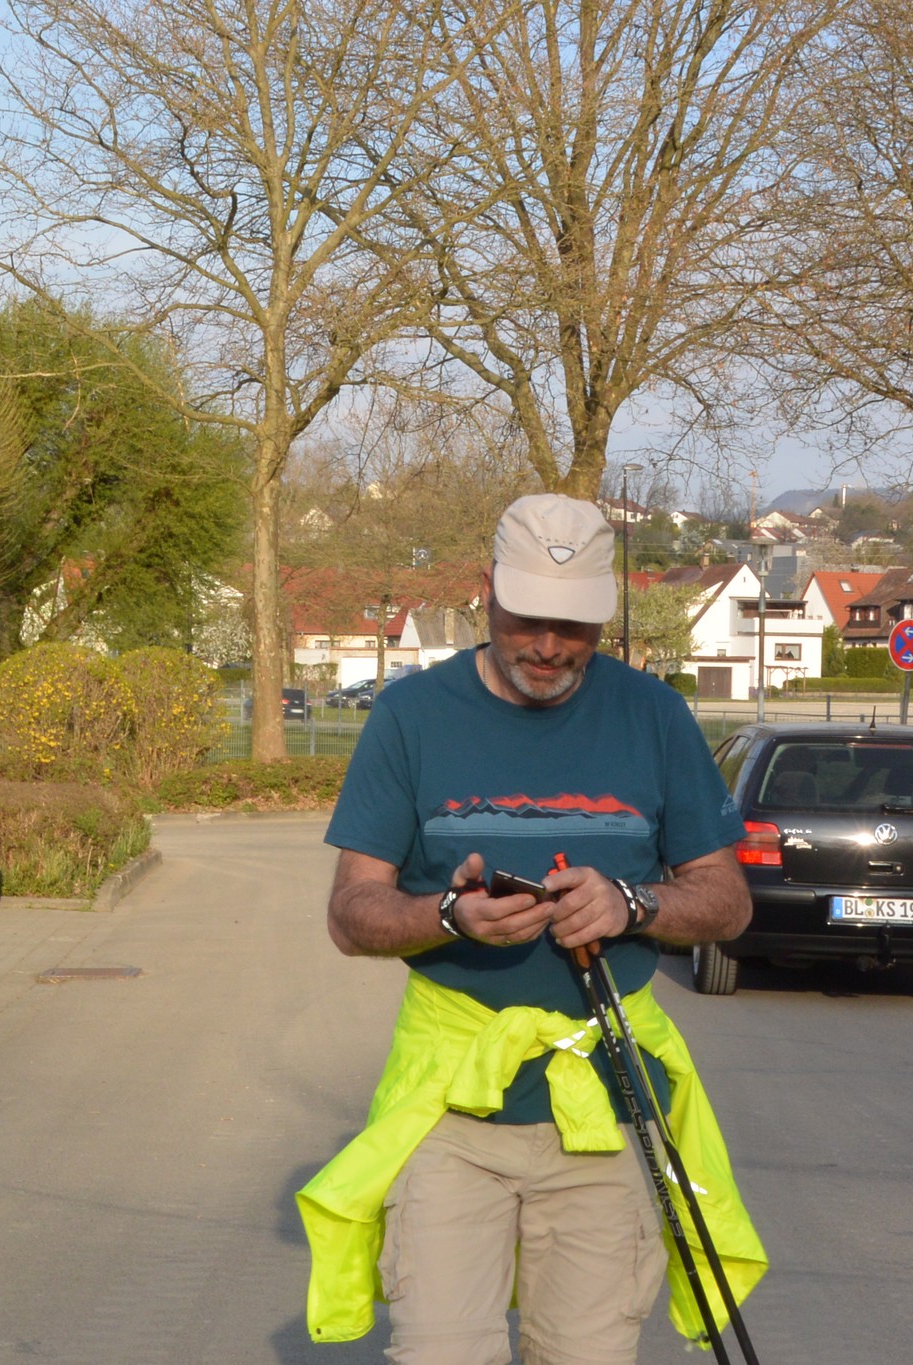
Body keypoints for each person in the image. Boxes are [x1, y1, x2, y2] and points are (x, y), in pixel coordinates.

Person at [297, 494, 767, 1365]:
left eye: (574, 624)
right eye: (527, 618)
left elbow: (728, 901)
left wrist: (634, 903)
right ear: (488, 592)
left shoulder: (655, 715)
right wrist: (447, 916)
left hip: (608, 1113)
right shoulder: (411, 715)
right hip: (450, 1112)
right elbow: (350, 914)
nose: (548, 645)